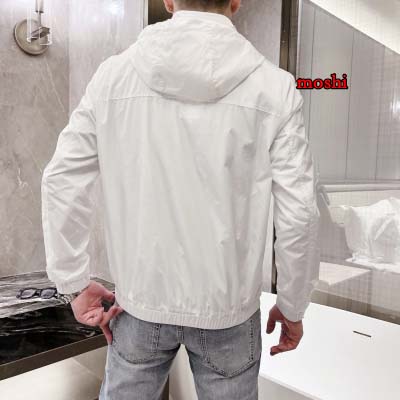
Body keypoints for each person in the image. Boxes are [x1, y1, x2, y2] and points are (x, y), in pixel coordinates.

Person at [41, 0, 320, 398]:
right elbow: (300, 213)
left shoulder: (113, 77)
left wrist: (73, 282)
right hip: (228, 312)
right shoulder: (274, 87)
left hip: (139, 305)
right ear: (236, 1)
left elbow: (61, 179)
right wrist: (292, 305)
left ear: (169, 1)